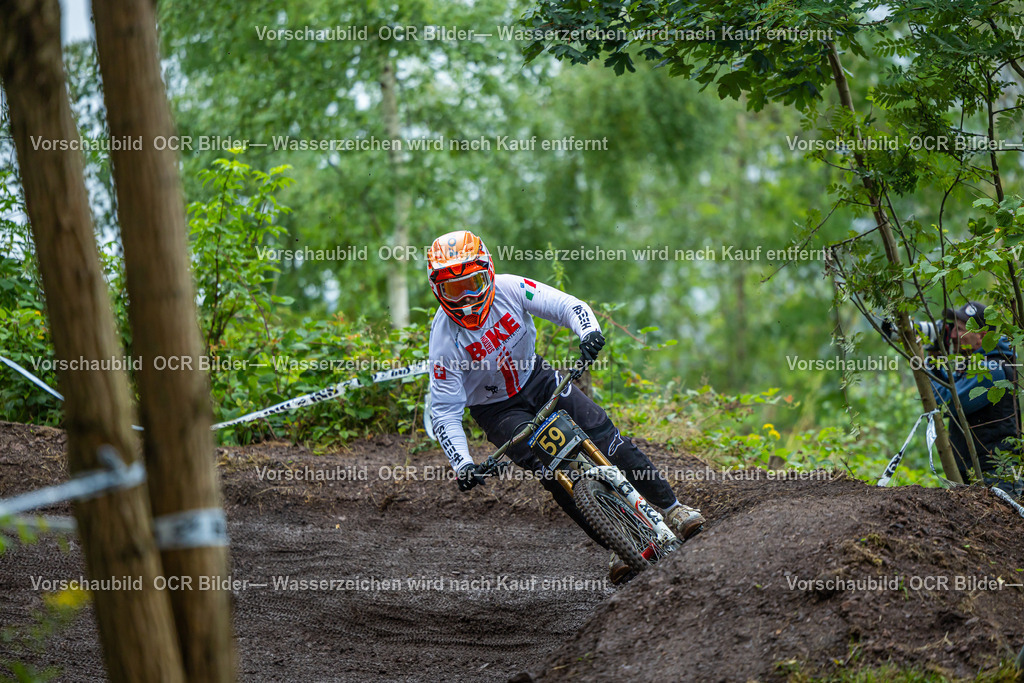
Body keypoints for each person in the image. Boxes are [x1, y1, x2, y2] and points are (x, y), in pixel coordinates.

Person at [426, 230, 704, 582]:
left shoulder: (510, 288)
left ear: (489, 272)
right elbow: (445, 412)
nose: (465, 298)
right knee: (553, 473)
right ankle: (620, 546)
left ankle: (674, 509)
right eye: (454, 290)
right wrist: (462, 463)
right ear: (438, 290)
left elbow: (566, 305)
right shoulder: (444, 342)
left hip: (538, 380)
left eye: (473, 283)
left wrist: (588, 331)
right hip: (496, 410)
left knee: (607, 438)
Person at [927, 301, 1022, 495]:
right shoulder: (977, 364)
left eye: (960, 329)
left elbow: (949, 404)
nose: (952, 335)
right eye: (952, 328)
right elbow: (951, 389)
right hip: (979, 476)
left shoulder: (992, 371)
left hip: (997, 480)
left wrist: (924, 368)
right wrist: (933, 358)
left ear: (983, 337)